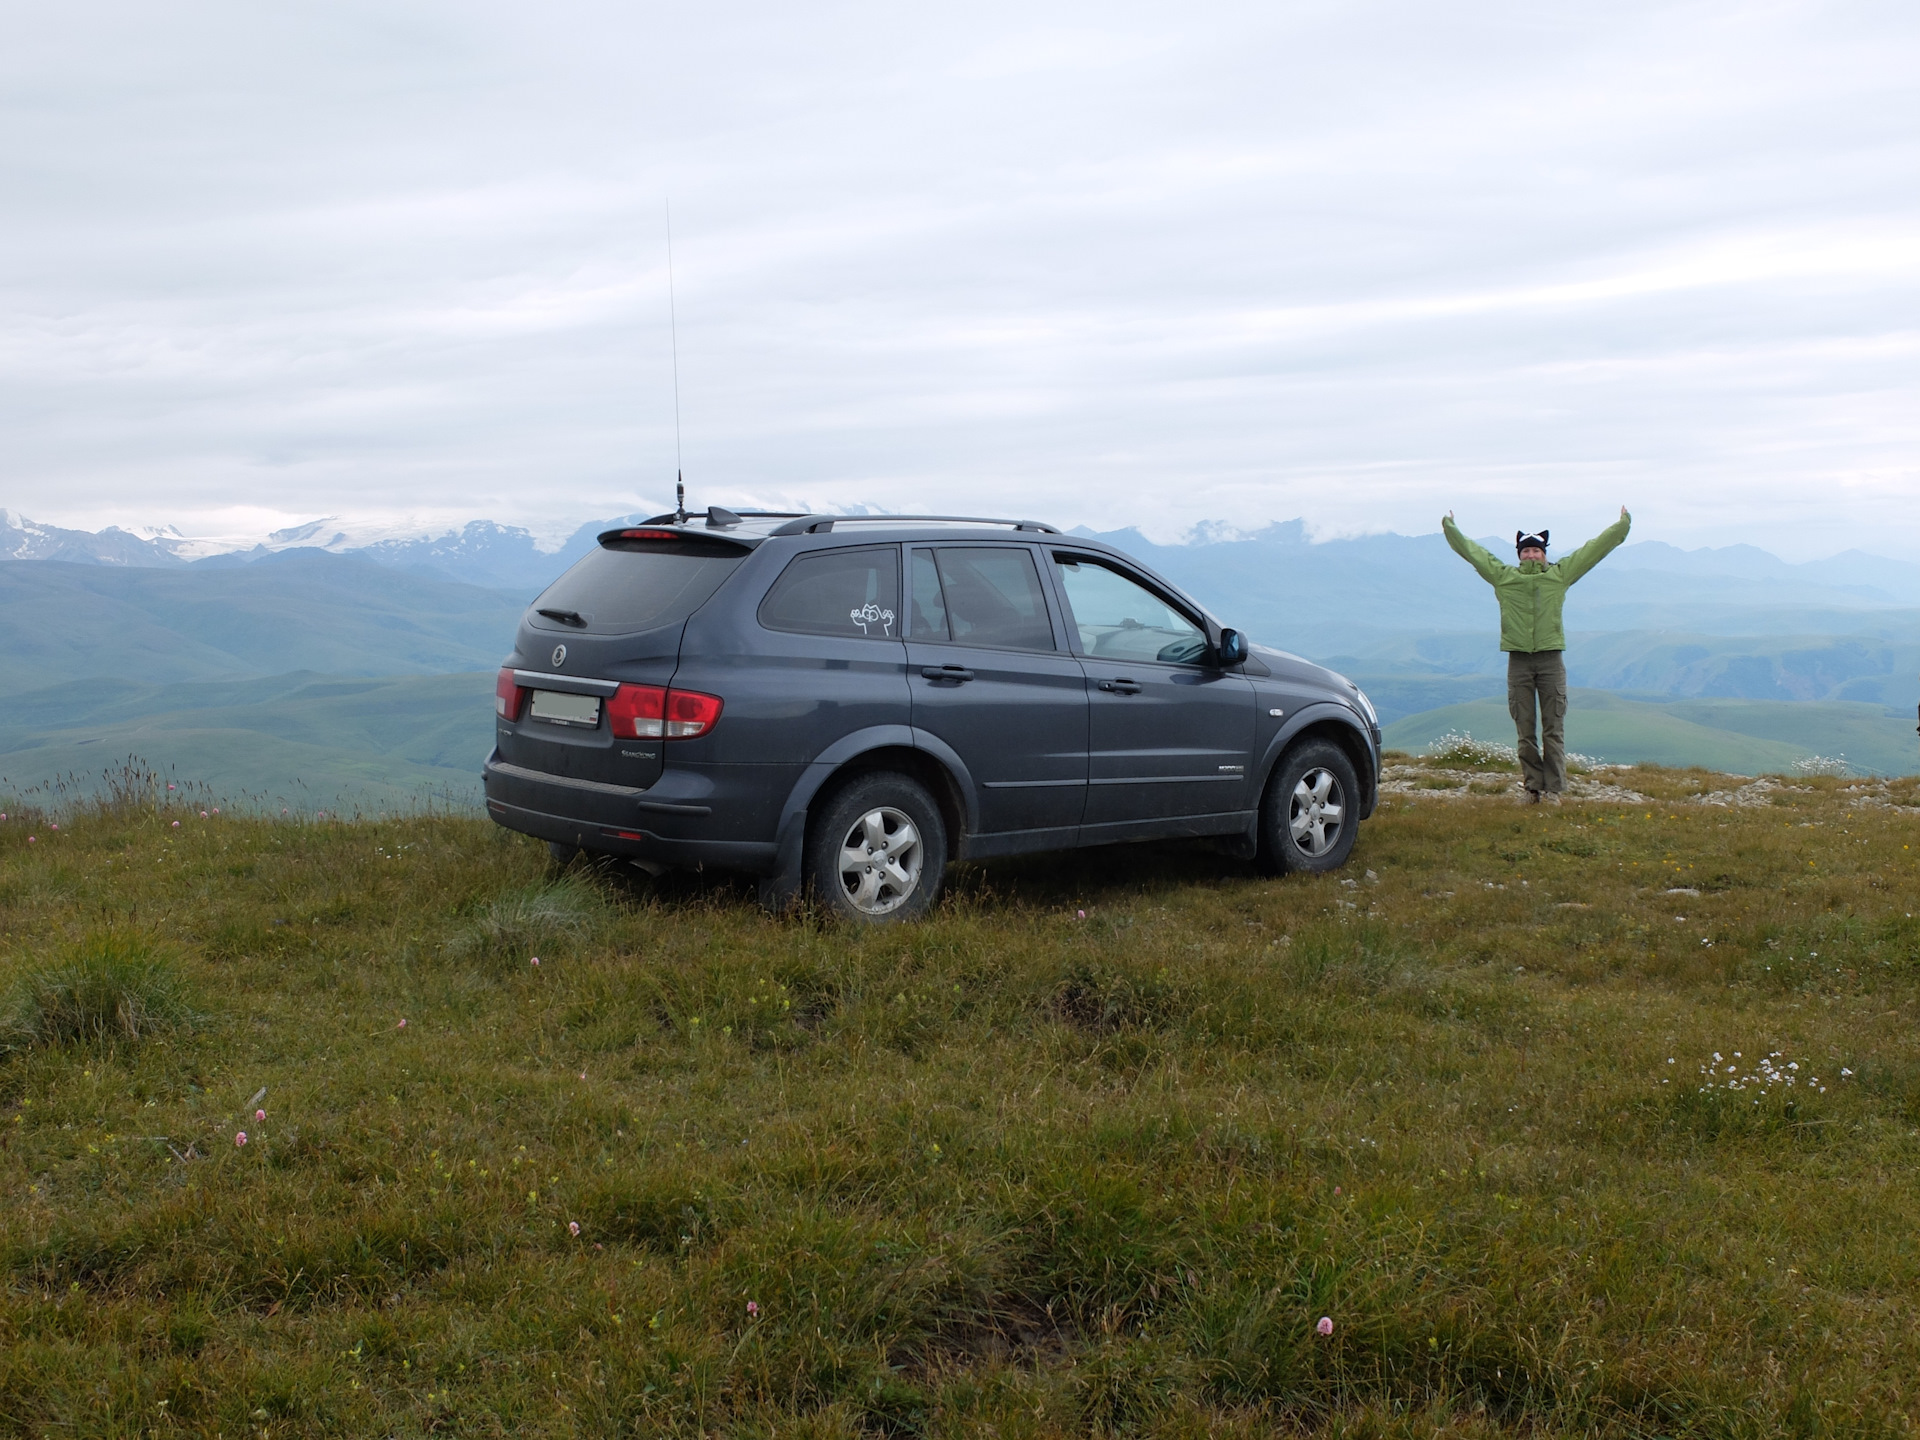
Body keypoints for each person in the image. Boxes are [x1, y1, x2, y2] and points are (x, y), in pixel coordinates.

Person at [1442, 506, 1631, 804]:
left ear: (1544, 554)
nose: (1531, 555)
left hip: (1551, 660)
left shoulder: (1559, 575)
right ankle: (1532, 788)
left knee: (1553, 729)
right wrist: (1451, 527)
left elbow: (1592, 551)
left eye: (1536, 551)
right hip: (1518, 660)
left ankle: (1554, 790)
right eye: (1526, 551)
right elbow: (1474, 553)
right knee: (1524, 730)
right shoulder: (1504, 578)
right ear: (1519, 554)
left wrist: (1622, 526)